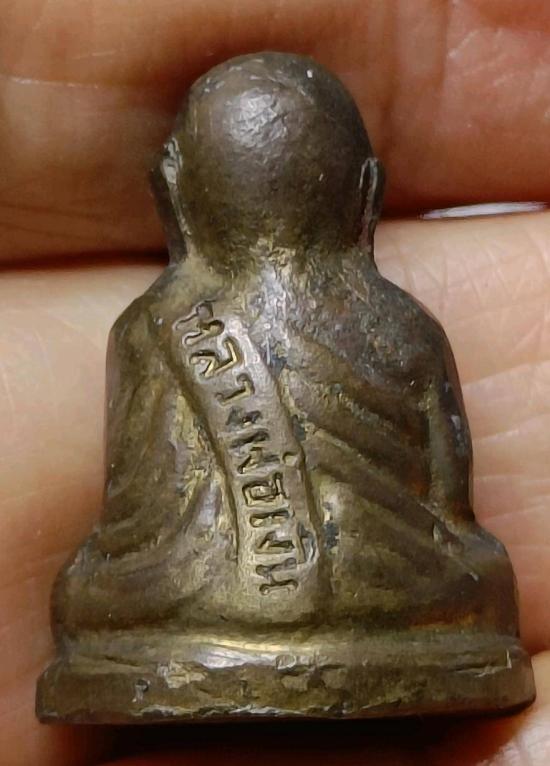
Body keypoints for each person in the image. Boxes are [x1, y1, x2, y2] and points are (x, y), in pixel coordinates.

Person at [1, 3, 549, 765]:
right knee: (473, 569)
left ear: (176, 196)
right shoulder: (404, 326)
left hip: (188, 607)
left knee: (89, 586)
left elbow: (137, 523)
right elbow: (448, 509)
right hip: (407, 597)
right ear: (367, 195)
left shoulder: (150, 325)